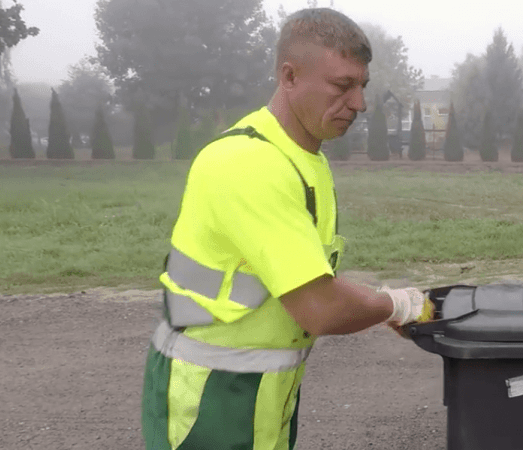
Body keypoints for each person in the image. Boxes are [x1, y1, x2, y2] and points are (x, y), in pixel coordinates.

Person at [141, 8, 432, 450]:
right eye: (342, 86)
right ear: (290, 76)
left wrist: (377, 303)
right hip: (210, 400)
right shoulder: (248, 163)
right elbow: (320, 306)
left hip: (261, 392)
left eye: (362, 86)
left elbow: (309, 277)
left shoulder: (303, 159)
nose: (359, 103)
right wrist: (395, 305)